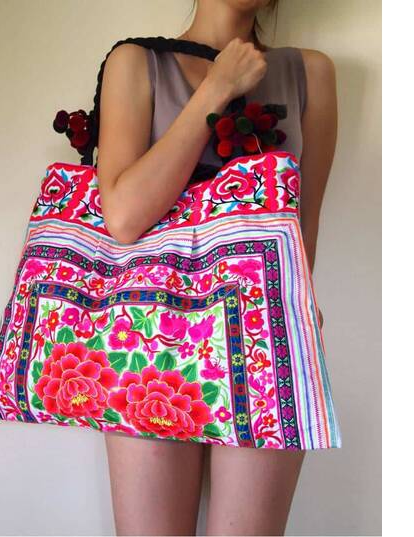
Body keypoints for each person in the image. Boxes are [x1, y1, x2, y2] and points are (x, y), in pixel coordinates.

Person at [95, 0, 337, 535]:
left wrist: (299, 316)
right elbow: (125, 217)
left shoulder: (311, 73)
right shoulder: (135, 62)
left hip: (265, 335)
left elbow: (304, 226)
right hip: (148, 335)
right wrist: (217, 87)